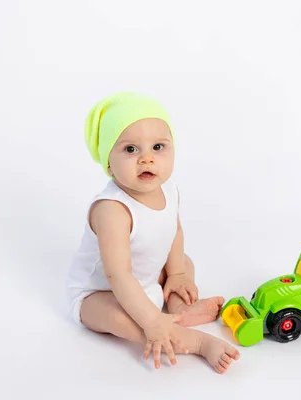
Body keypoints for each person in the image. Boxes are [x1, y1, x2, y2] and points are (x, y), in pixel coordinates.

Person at [66, 91, 240, 373]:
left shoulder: (169, 190)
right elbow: (119, 276)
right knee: (121, 317)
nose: (147, 159)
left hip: (144, 279)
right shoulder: (112, 210)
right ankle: (194, 341)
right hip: (101, 292)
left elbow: (174, 229)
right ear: (108, 162)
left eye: (158, 147)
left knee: (183, 261)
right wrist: (151, 321)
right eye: (131, 150)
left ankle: (177, 308)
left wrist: (177, 274)